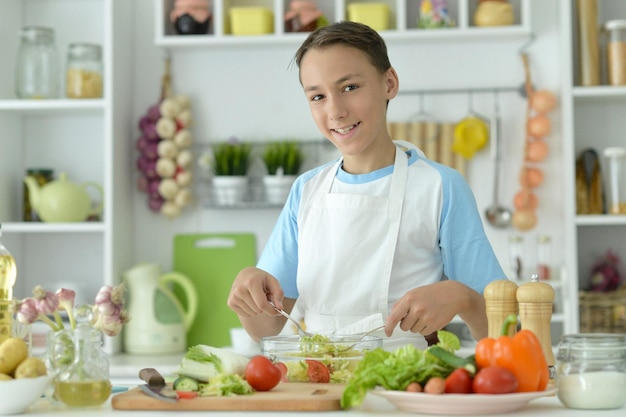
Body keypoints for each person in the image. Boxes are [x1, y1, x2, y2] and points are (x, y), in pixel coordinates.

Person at [227, 21, 505, 350]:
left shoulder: (440, 187)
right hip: (321, 379)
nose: (336, 111)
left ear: (389, 83)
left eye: (349, 88)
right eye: (318, 96)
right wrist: (247, 297)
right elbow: (268, 330)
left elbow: (506, 328)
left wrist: (465, 299)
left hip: (406, 386)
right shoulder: (306, 191)